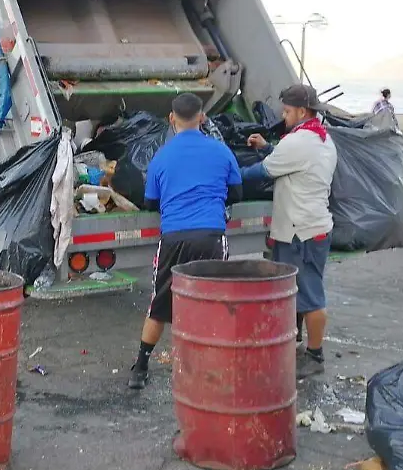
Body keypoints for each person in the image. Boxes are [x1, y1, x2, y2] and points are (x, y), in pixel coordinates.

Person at [128, 92, 243, 390]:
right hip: (211, 237)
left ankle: (140, 368)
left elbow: (150, 202)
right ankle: (213, 368)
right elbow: (237, 193)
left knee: (160, 303)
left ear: (171, 119)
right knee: (214, 302)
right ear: (202, 117)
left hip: (174, 237)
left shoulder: (161, 156)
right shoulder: (221, 151)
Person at [243, 84, 338, 379]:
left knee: (310, 295)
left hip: (303, 231)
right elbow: (292, 161)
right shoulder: (319, 138)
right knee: (293, 289)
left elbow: (260, 173)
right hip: (303, 227)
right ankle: (294, 340)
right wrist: (268, 148)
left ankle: (315, 354)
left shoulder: (299, 142)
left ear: (302, 111)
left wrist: (225, 173)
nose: (283, 117)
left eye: (287, 111)